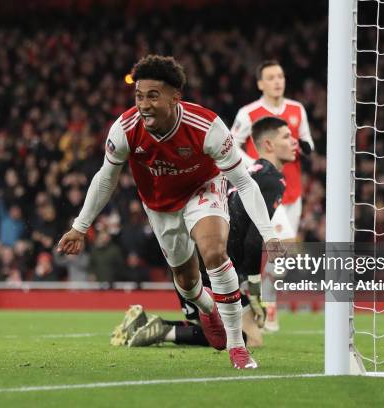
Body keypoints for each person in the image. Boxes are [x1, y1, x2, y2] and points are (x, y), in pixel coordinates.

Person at [57, 55, 283, 369]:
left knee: (215, 253)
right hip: (160, 206)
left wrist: (269, 234)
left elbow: (243, 183)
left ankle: (237, 347)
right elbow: (106, 177)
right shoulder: (125, 129)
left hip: (202, 190)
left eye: (153, 96)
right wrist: (80, 227)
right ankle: (207, 308)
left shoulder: (207, 127)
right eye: (139, 96)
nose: (144, 104)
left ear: (175, 98)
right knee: (187, 282)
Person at [114, 117, 296, 349]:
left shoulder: (248, 171)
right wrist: (255, 293)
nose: (293, 141)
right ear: (268, 144)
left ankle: (151, 326)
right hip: (217, 265)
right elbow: (253, 241)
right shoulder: (272, 179)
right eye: (286, 136)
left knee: (219, 326)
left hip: (195, 257)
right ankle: (165, 330)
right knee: (250, 338)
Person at [232, 60, 315, 331]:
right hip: (264, 189)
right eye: (271, 77)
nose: (277, 81)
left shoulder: (297, 109)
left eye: (280, 76)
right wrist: (254, 164)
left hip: (293, 191)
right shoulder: (249, 113)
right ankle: (266, 302)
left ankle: (255, 292)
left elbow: (307, 141)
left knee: (281, 253)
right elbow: (232, 145)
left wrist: (304, 147)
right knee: (284, 244)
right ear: (260, 84)